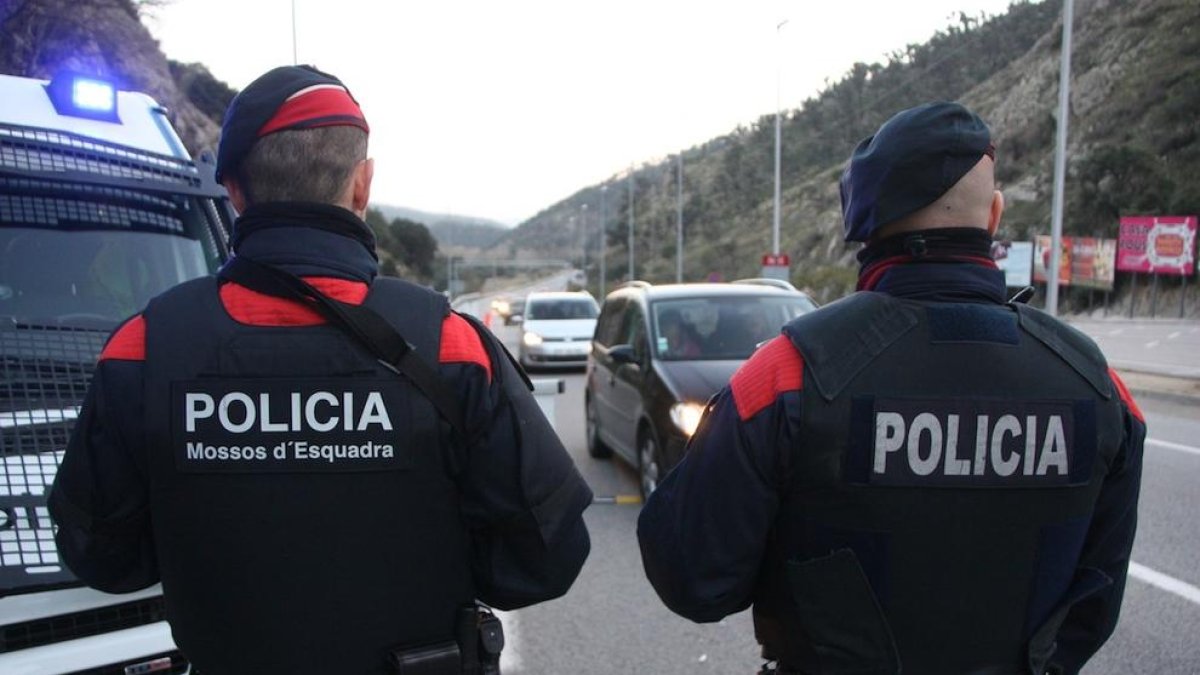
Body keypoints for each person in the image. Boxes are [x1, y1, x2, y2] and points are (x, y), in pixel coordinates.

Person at [50, 65, 592, 675]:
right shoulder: (448, 345)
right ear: (362, 186)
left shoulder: (145, 348)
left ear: (233, 192)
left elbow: (98, 555)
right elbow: (549, 556)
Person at [637, 102, 1145, 675]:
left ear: (865, 229)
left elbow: (692, 579)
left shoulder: (788, 374)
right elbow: (1095, 602)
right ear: (995, 216)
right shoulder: (1097, 384)